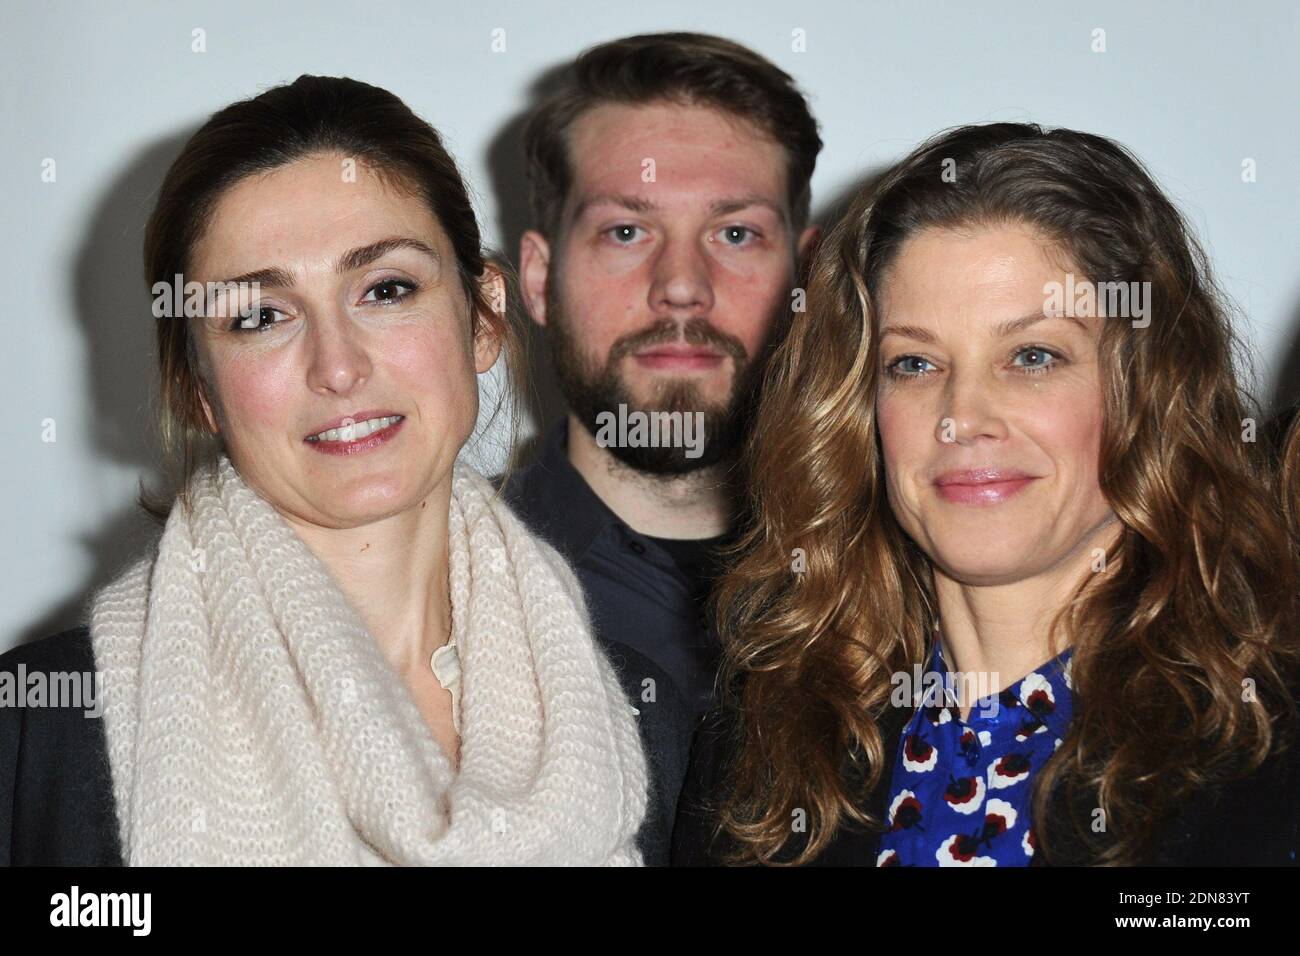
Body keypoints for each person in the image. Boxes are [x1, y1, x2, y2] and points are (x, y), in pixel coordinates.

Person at [0, 75, 647, 866]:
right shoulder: (42, 728)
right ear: (197, 388)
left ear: (482, 318)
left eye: (386, 288)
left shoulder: (652, 716)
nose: (337, 367)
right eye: (261, 316)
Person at [672, 122, 1300, 866]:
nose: (961, 416)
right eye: (913, 363)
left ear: (1146, 391)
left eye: (1032, 356)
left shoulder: (1266, 753)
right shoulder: (762, 747)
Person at [496, 32, 821, 862]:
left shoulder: (920, 611)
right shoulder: (433, 598)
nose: (683, 283)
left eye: (737, 234)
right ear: (538, 281)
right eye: (626, 232)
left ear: (806, 278)